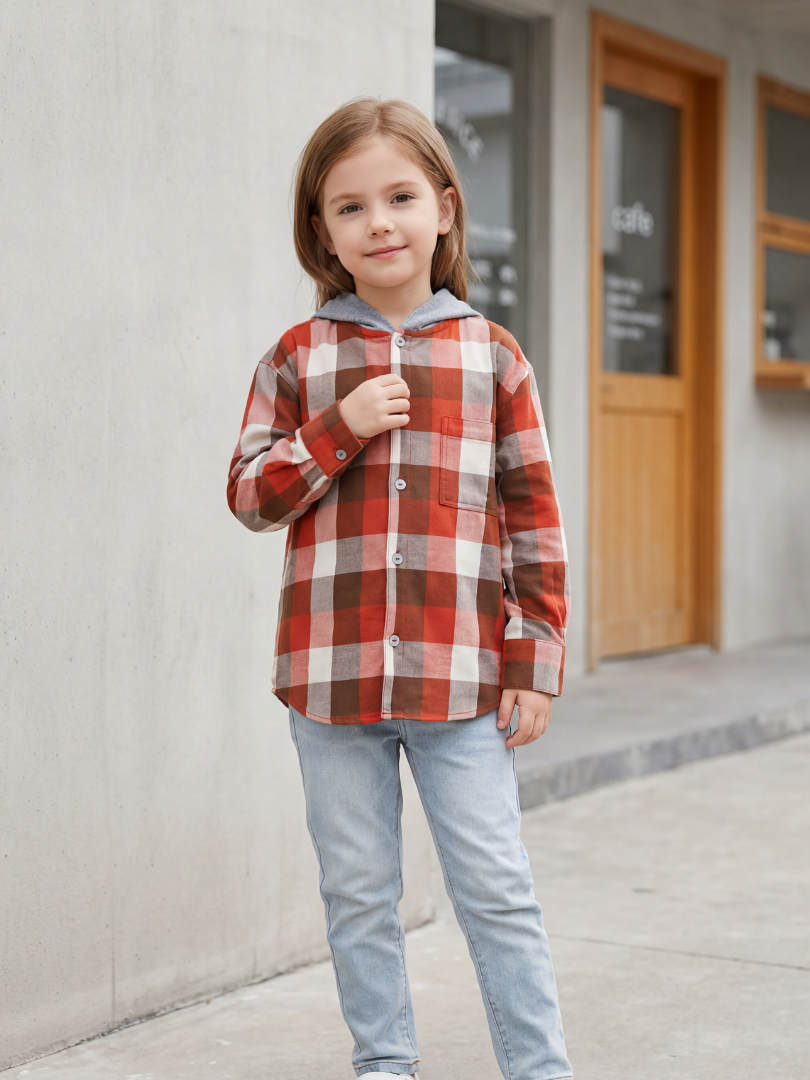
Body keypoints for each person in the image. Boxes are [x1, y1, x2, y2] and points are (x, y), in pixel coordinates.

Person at [227, 98, 572, 1080]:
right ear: (322, 233)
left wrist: (535, 661)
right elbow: (250, 495)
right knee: (358, 894)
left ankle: (540, 1070)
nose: (378, 222)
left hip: (462, 686)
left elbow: (532, 517)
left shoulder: (493, 356)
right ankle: (384, 1065)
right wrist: (342, 425)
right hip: (331, 690)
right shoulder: (298, 359)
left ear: (445, 210)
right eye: (349, 207)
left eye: (400, 197)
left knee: (497, 891)